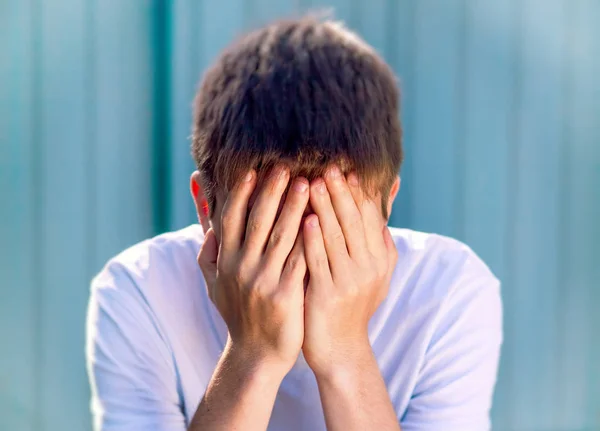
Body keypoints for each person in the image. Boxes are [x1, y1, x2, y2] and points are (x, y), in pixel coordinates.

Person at [86, 17, 502, 431]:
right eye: (266, 228)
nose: (301, 261)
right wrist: (254, 355)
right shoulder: (138, 292)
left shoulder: (450, 292)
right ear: (205, 208)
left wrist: (344, 353)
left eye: (335, 226)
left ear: (387, 203)